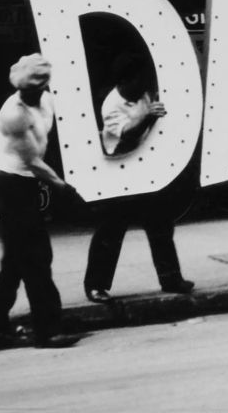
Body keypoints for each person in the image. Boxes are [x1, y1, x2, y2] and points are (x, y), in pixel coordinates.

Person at [0, 53, 83, 349]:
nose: (32, 93)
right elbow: (33, 161)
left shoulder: (46, 100)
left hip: (25, 185)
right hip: (13, 185)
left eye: (37, 88)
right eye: (27, 90)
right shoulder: (13, 114)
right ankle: (47, 330)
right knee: (37, 258)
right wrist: (62, 186)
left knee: (15, 261)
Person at [83, 55, 194, 303]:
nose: (144, 85)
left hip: (147, 169)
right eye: (139, 80)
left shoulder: (144, 94)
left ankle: (171, 278)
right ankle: (96, 285)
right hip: (120, 171)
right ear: (125, 81)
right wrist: (147, 116)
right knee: (110, 231)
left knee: (161, 226)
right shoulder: (111, 105)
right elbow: (127, 137)